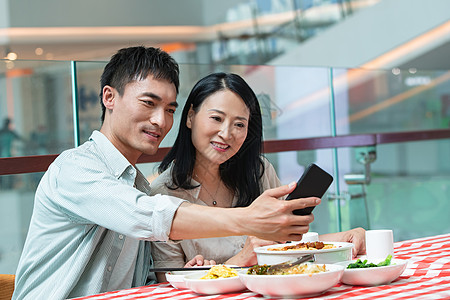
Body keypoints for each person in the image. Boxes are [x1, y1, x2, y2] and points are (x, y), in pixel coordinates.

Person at [12, 47, 320, 300]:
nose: (160, 120)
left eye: (169, 109)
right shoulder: (75, 169)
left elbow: (153, 276)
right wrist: (250, 219)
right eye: (148, 103)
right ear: (109, 97)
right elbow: (146, 215)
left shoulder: (137, 184)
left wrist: (196, 272)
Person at [150, 72, 365, 281]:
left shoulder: (258, 171)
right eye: (216, 118)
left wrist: (341, 240)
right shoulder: (163, 195)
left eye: (239, 124)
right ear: (190, 117)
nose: (226, 134)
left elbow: (285, 244)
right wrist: (240, 260)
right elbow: (167, 283)